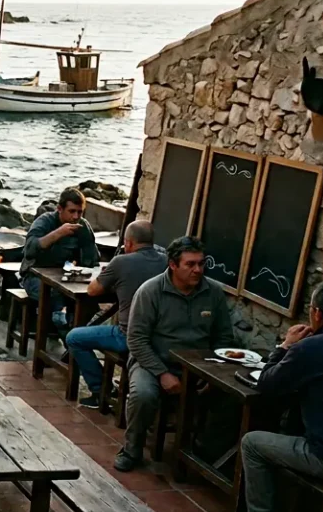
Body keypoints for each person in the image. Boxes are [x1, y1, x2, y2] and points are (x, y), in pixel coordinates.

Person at [116, 236, 235, 472]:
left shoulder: (214, 293)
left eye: (201, 264)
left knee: (229, 399)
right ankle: (132, 449)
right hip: (153, 361)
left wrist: (212, 372)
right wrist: (162, 373)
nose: (197, 270)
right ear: (172, 264)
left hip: (199, 365)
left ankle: (204, 453)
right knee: (143, 395)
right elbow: (137, 340)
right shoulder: (150, 292)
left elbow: (223, 338)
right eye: (190, 264)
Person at [226, 281, 323, 512]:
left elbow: (268, 385)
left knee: (253, 443)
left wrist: (285, 346)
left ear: (316, 314)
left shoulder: (312, 349)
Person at [65, 220, 168, 408]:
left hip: (128, 335)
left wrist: (112, 273)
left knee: (74, 338)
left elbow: (92, 291)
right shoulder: (167, 261)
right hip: (160, 334)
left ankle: (100, 390)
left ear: (128, 243)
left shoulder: (121, 261)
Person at [21, 188, 99, 329]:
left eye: (79, 212)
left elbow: (92, 258)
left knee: (89, 301)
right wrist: (58, 234)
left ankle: (73, 331)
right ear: (60, 209)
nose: (76, 216)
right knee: (55, 297)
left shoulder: (83, 226)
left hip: (65, 275)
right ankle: (64, 334)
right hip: (35, 276)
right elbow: (29, 250)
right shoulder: (45, 222)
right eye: (72, 211)